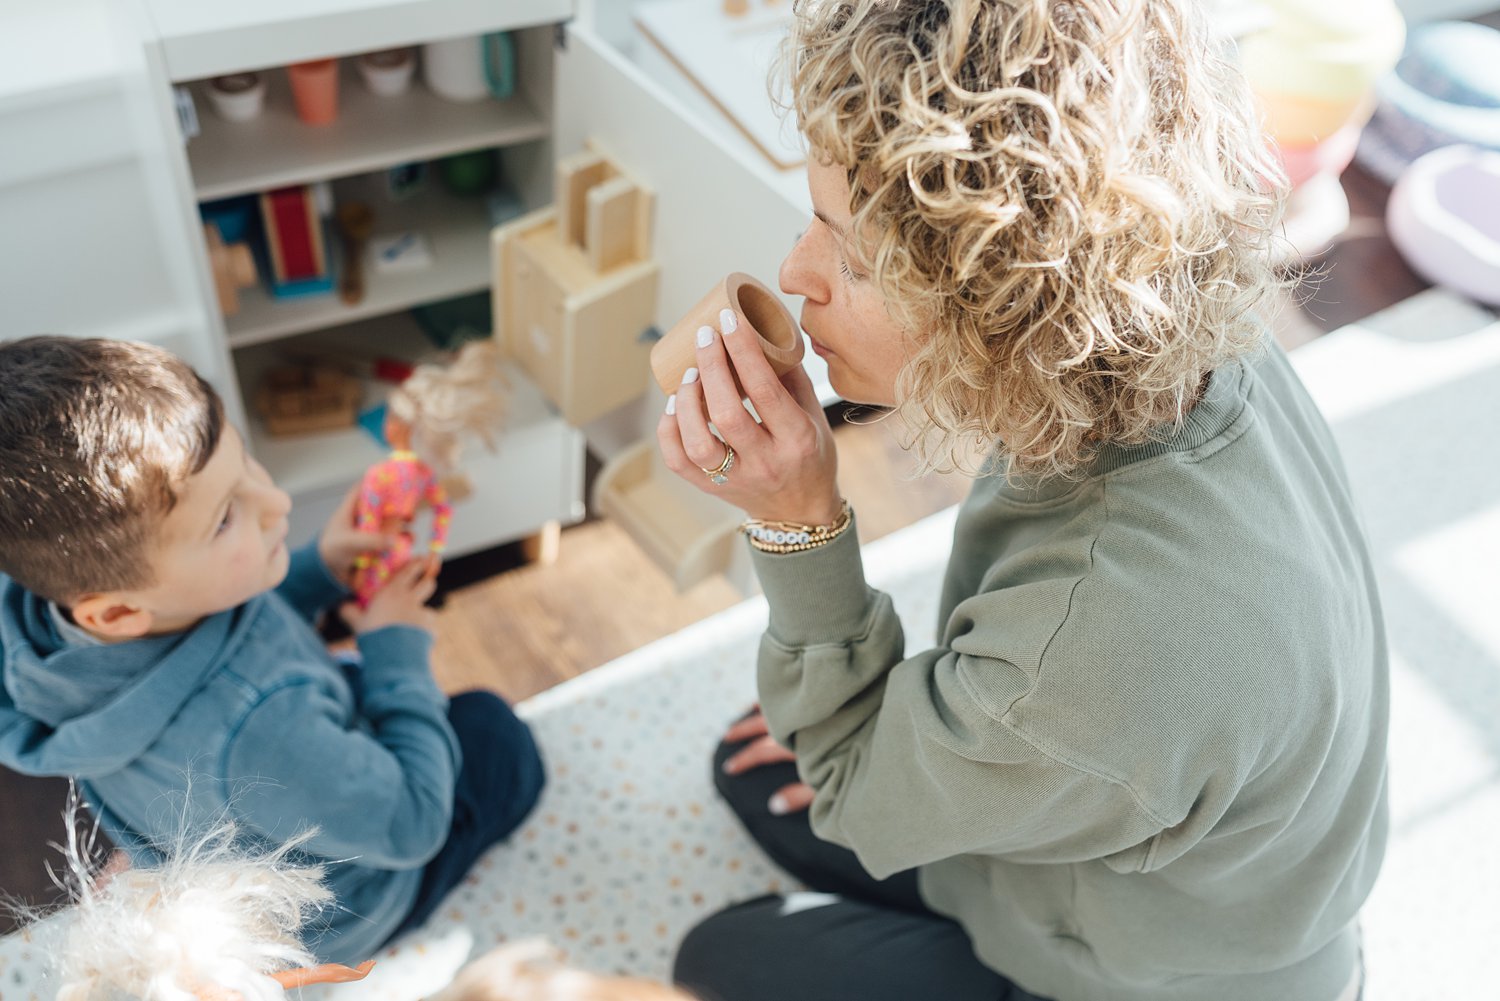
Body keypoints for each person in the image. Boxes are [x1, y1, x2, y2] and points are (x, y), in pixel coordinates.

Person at [657, 2, 1387, 1000]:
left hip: (1155, 976)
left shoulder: (1098, 642)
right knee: (762, 764)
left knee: (721, 954)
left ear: (1005, 305)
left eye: (855, 259)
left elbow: (857, 785)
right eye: (816, 221)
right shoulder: (1174, 329)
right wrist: (894, 737)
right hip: (1162, 847)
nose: (794, 274)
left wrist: (797, 520)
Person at [0, 336, 545, 964]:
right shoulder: (259, 727)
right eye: (225, 518)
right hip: (340, 913)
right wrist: (394, 650)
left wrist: (317, 571)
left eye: (246, 466)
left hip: (228, 822)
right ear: (117, 612)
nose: (278, 503)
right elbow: (412, 824)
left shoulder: (47, 625)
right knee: (496, 734)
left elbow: (229, 627)